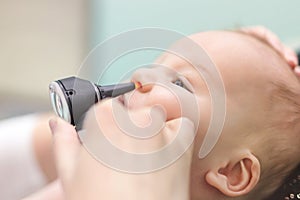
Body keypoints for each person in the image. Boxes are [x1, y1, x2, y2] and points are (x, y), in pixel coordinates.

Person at [20, 27, 300, 199]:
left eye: (180, 83)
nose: (141, 75)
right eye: (156, 65)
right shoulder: (80, 180)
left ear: (231, 172)